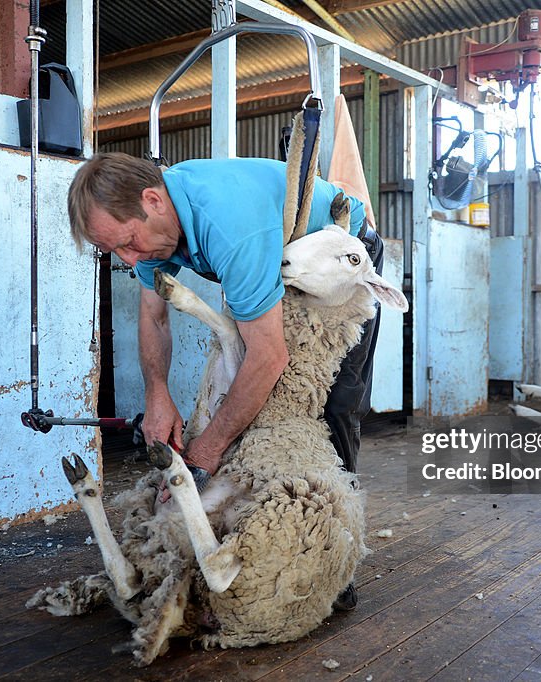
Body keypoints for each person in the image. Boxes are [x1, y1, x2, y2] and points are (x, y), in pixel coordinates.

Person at [68, 153, 383, 609]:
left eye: (129, 243)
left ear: (153, 200)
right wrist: (158, 394)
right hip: (278, 258)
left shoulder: (232, 227)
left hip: (339, 261)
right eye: (115, 250)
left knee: (329, 403)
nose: (129, 258)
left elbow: (269, 358)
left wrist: (204, 454)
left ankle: (331, 551)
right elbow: (153, 317)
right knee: (246, 409)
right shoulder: (151, 230)